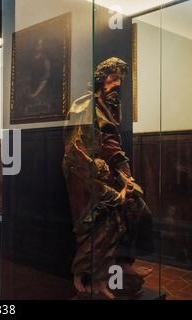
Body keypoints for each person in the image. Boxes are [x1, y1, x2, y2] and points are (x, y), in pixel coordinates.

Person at [63, 57, 153, 299]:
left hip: (109, 173)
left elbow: (113, 146)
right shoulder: (84, 106)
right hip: (86, 176)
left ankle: (121, 264)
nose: (117, 84)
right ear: (101, 79)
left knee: (137, 208)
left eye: (120, 80)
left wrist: (127, 177)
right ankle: (90, 278)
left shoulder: (111, 107)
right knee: (101, 225)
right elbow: (75, 151)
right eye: (113, 79)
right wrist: (102, 182)